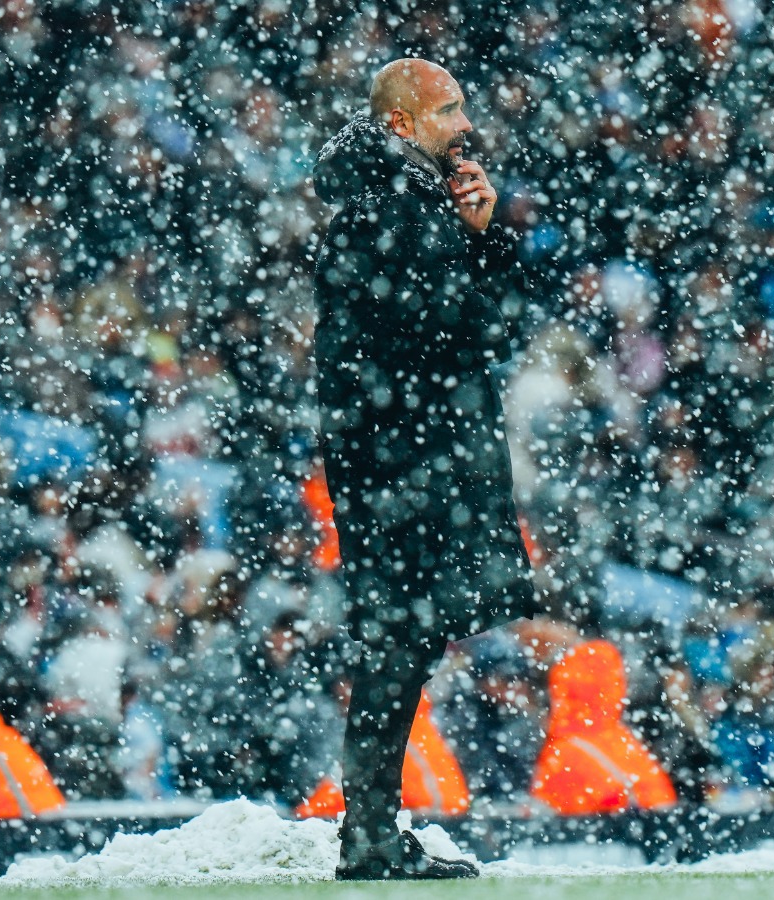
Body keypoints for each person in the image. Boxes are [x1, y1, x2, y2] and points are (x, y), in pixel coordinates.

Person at [311, 58, 537, 880]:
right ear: (402, 125)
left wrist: (474, 233)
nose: (463, 124)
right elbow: (453, 335)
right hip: (407, 467)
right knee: (397, 645)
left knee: (399, 644)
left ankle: (371, 830)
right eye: (447, 110)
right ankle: (368, 834)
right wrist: (475, 243)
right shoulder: (389, 208)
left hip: (403, 462)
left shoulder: (394, 201)